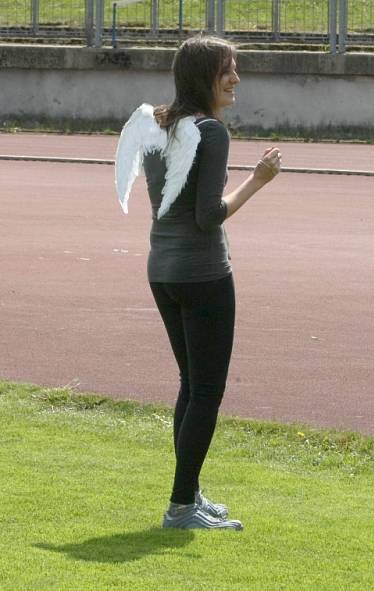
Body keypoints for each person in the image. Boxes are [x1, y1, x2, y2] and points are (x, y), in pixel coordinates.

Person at [114, 34, 282, 530]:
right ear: (202, 76)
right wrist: (258, 180)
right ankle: (181, 507)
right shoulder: (211, 132)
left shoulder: (156, 126)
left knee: (191, 385)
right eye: (226, 70)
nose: (235, 79)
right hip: (204, 273)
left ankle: (189, 493)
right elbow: (209, 216)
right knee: (206, 390)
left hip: (161, 269)